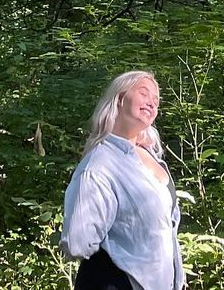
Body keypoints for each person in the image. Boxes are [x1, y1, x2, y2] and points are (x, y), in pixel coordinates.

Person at [61, 70, 186, 290]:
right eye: (144, 93)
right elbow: (77, 242)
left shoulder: (152, 157)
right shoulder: (99, 164)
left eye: (156, 100)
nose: (152, 102)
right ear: (119, 99)